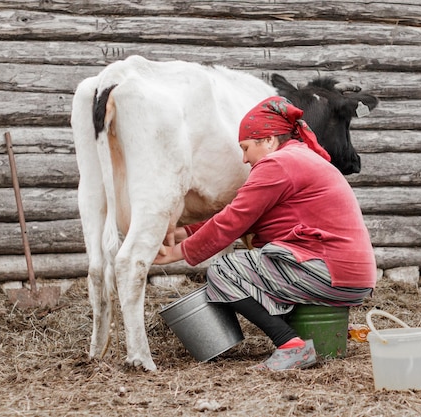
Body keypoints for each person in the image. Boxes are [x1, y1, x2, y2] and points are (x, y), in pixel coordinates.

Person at [154, 96, 377, 370]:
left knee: (225, 270)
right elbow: (244, 218)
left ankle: (290, 344)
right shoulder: (299, 158)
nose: (244, 158)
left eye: (246, 148)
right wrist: (182, 233)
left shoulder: (278, 164)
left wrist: (177, 253)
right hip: (346, 274)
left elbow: (233, 220)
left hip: (330, 272)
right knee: (253, 264)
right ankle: (308, 333)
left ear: (269, 140)